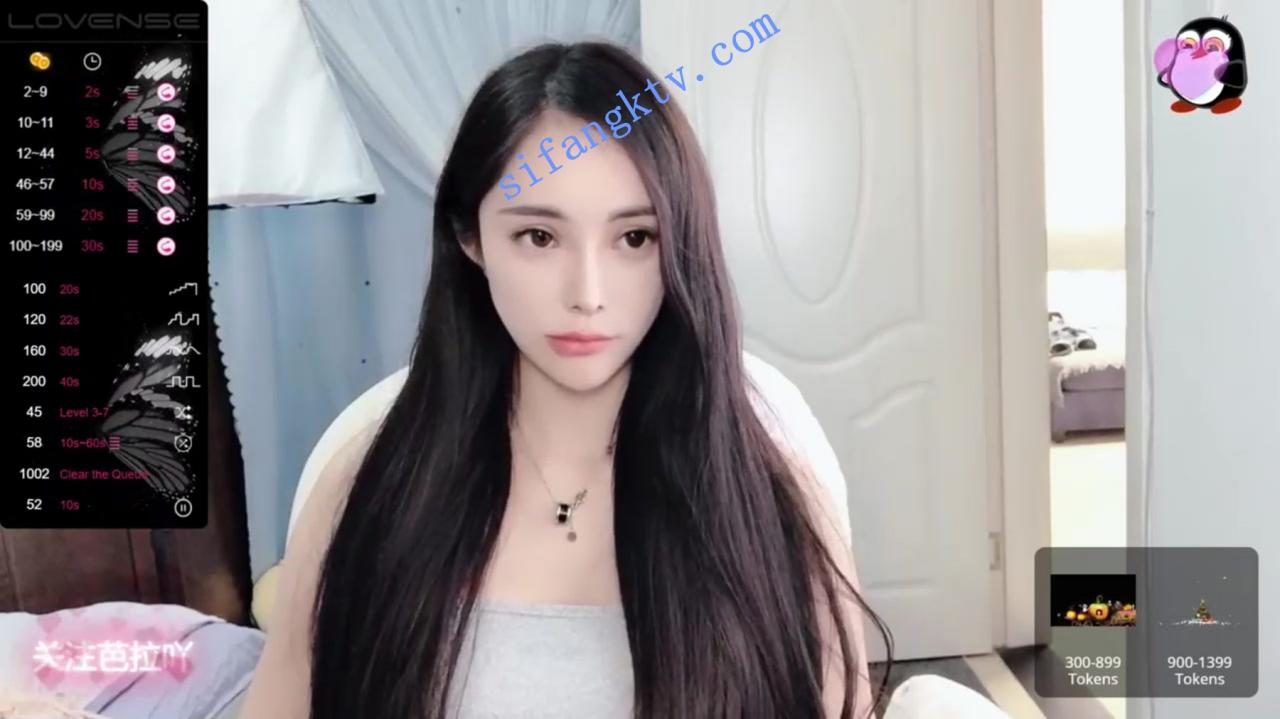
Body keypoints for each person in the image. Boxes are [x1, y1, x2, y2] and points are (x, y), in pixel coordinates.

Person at [240, 41, 892, 719]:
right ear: (470, 237)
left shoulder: (770, 504)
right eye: (539, 237)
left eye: (635, 239)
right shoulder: (364, 488)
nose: (588, 294)